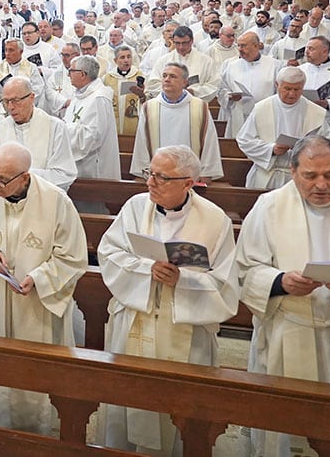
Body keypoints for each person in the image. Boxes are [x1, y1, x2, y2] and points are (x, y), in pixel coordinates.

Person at [236, 136, 330, 457]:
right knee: (289, 429)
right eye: (310, 175)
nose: (322, 185)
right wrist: (280, 282)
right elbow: (244, 269)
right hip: (293, 330)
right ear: (293, 172)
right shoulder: (269, 207)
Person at [97, 145, 239, 454]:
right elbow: (108, 253)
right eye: (150, 173)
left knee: (179, 410)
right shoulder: (135, 207)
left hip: (185, 330)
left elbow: (226, 284)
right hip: (136, 316)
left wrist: (183, 279)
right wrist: (147, 269)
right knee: (128, 397)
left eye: (162, 177)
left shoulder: (215, 221)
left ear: (188, 183)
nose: (150, 182)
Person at [0, 142, 86, 431]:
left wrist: (40, 278)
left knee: (35, 373)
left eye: (3, 180)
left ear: (25, 177)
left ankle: (36, 432)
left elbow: (73, 256)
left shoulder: (56, 201)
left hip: (37, 304)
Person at [235, 67, 328, 189]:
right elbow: (244, 140)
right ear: (277, 85)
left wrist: (306, 150)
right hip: (267, 175)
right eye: (287, 88)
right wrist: (271, 149)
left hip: (301, 177)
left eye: (297, 89)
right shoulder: (262, 108)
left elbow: (328, 146)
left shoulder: (316, 113)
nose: (292, 94)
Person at [130, 62, 223, 183]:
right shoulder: (149, 107)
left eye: (172, 76)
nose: (167, 80)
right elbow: (142, 141)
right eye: (164, 76)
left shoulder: (200, 107)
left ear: (185, 82)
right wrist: (142, 171)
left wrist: (206, 173)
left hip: (189, 179)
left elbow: (209, 142)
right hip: (158, 178)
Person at [0, 77, 77, 191]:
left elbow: (64, 174)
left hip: (43, 198)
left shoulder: (55, 128)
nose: (10, 107)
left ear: (31, 98)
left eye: (16, 100)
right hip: (7, 199)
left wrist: (20, 178)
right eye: (6, 101)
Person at [62, 56, 120, 199]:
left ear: (82, 74)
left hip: (94, 170)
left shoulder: (99, 98)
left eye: (71, 70)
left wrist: (62, 130)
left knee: (94, 212)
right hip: (78, 166)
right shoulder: (80, 95)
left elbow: (93, 136)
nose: (68, 74)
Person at [217, 31, 281, 140]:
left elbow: (279, 92)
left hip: (265, 116)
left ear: (256, 46)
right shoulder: (231, 66)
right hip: (239, 116)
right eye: (239, 45)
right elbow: (221, 89)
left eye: (244, 46)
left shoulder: (274, 65)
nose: (240, 49)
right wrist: (229, 97)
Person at [144, 26, 220, 102]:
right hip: (169, 105)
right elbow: (153, 84)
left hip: (195, 104)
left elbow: (213, 85)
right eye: (177, 43)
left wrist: (194, 91)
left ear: (192, 41)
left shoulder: (206, 61)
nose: (181, 47)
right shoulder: (164, 60)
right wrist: (172, 92)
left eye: (184, 43)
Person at [103, 45, 144, 136]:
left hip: (133, 123)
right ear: (115, 61)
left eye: (129, 57)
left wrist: (142, 95)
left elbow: (147, 97)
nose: (126, 60)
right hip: (113, 123)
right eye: (122, 57)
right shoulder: (107, 78)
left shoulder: (139, 76)